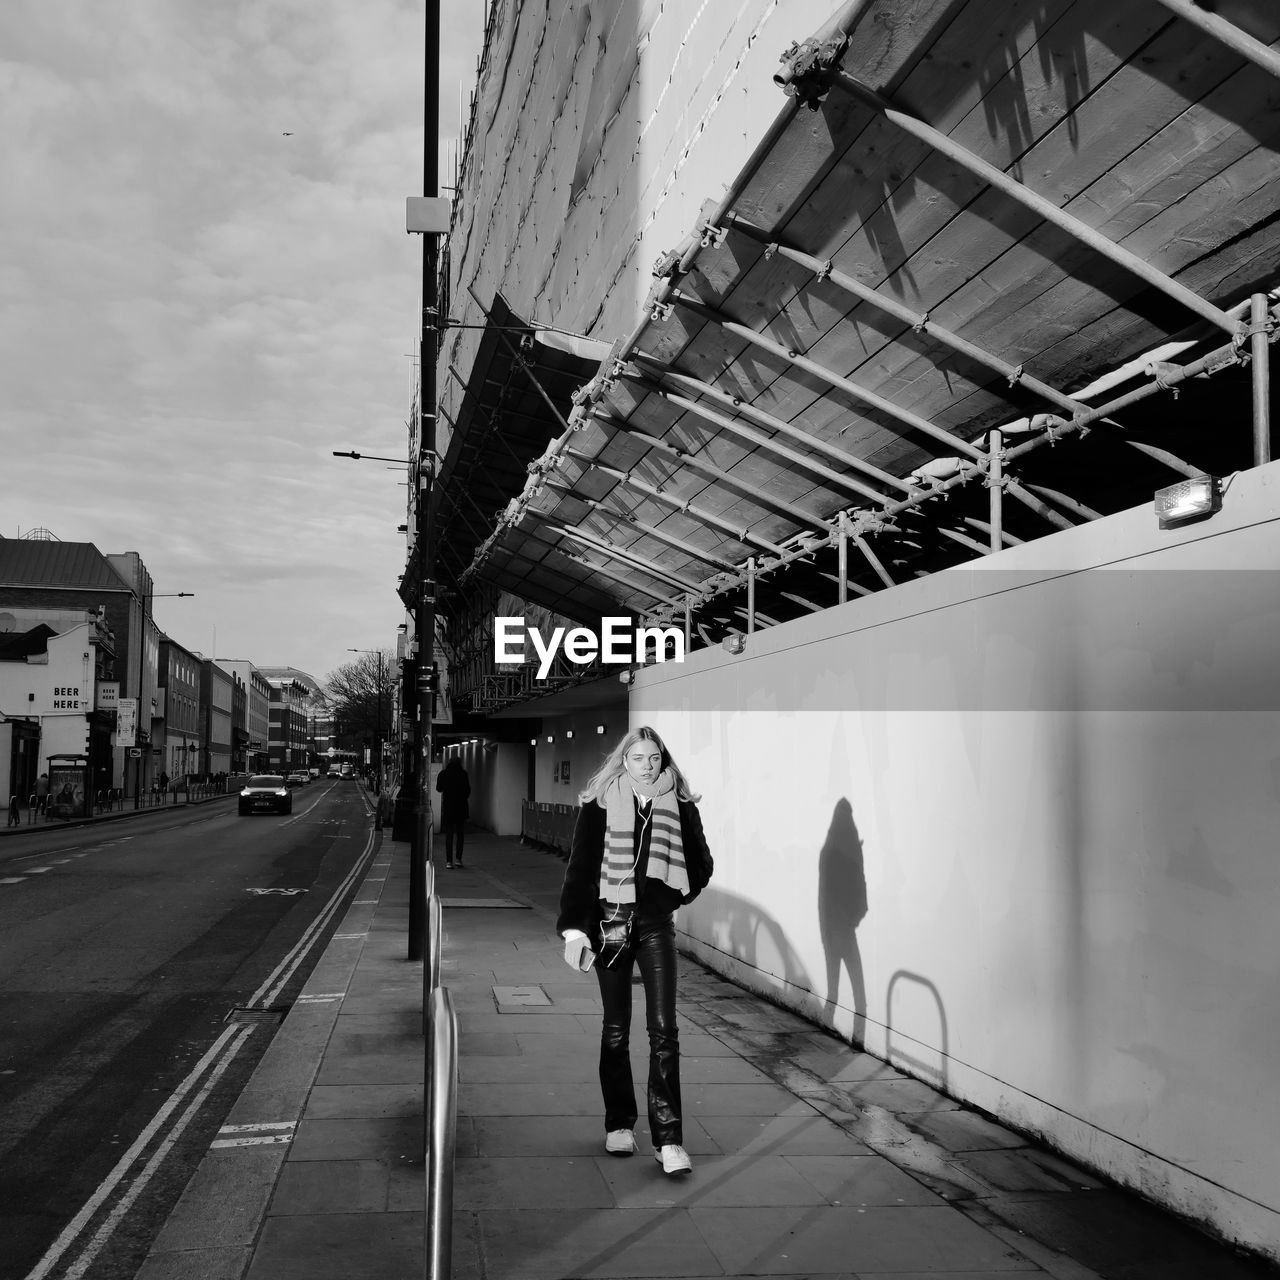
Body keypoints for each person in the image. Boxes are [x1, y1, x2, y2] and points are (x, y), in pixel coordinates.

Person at [557, 726, 713, 1176]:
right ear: (623, 760)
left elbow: (701, 864)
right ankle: (620, 1124)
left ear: (663, 759)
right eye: (639, 757)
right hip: (610, 924)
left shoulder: (679, 803)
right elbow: (581, 868)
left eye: (654, 757)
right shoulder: (600, 803)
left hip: (656, 927)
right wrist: (574, 930)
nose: (648, 764)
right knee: (616, 1028)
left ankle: (669, 1141)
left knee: (665, 1030)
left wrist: (671, 897)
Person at [435, 758, 471, 868]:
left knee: (449, 835)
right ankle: (458, 859)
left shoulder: (444, 774)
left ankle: (449, 862)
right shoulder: (463, 774)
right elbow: (467, 791)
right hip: (461, 808)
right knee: (460, 834)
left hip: (448, 807)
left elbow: (438, 788)